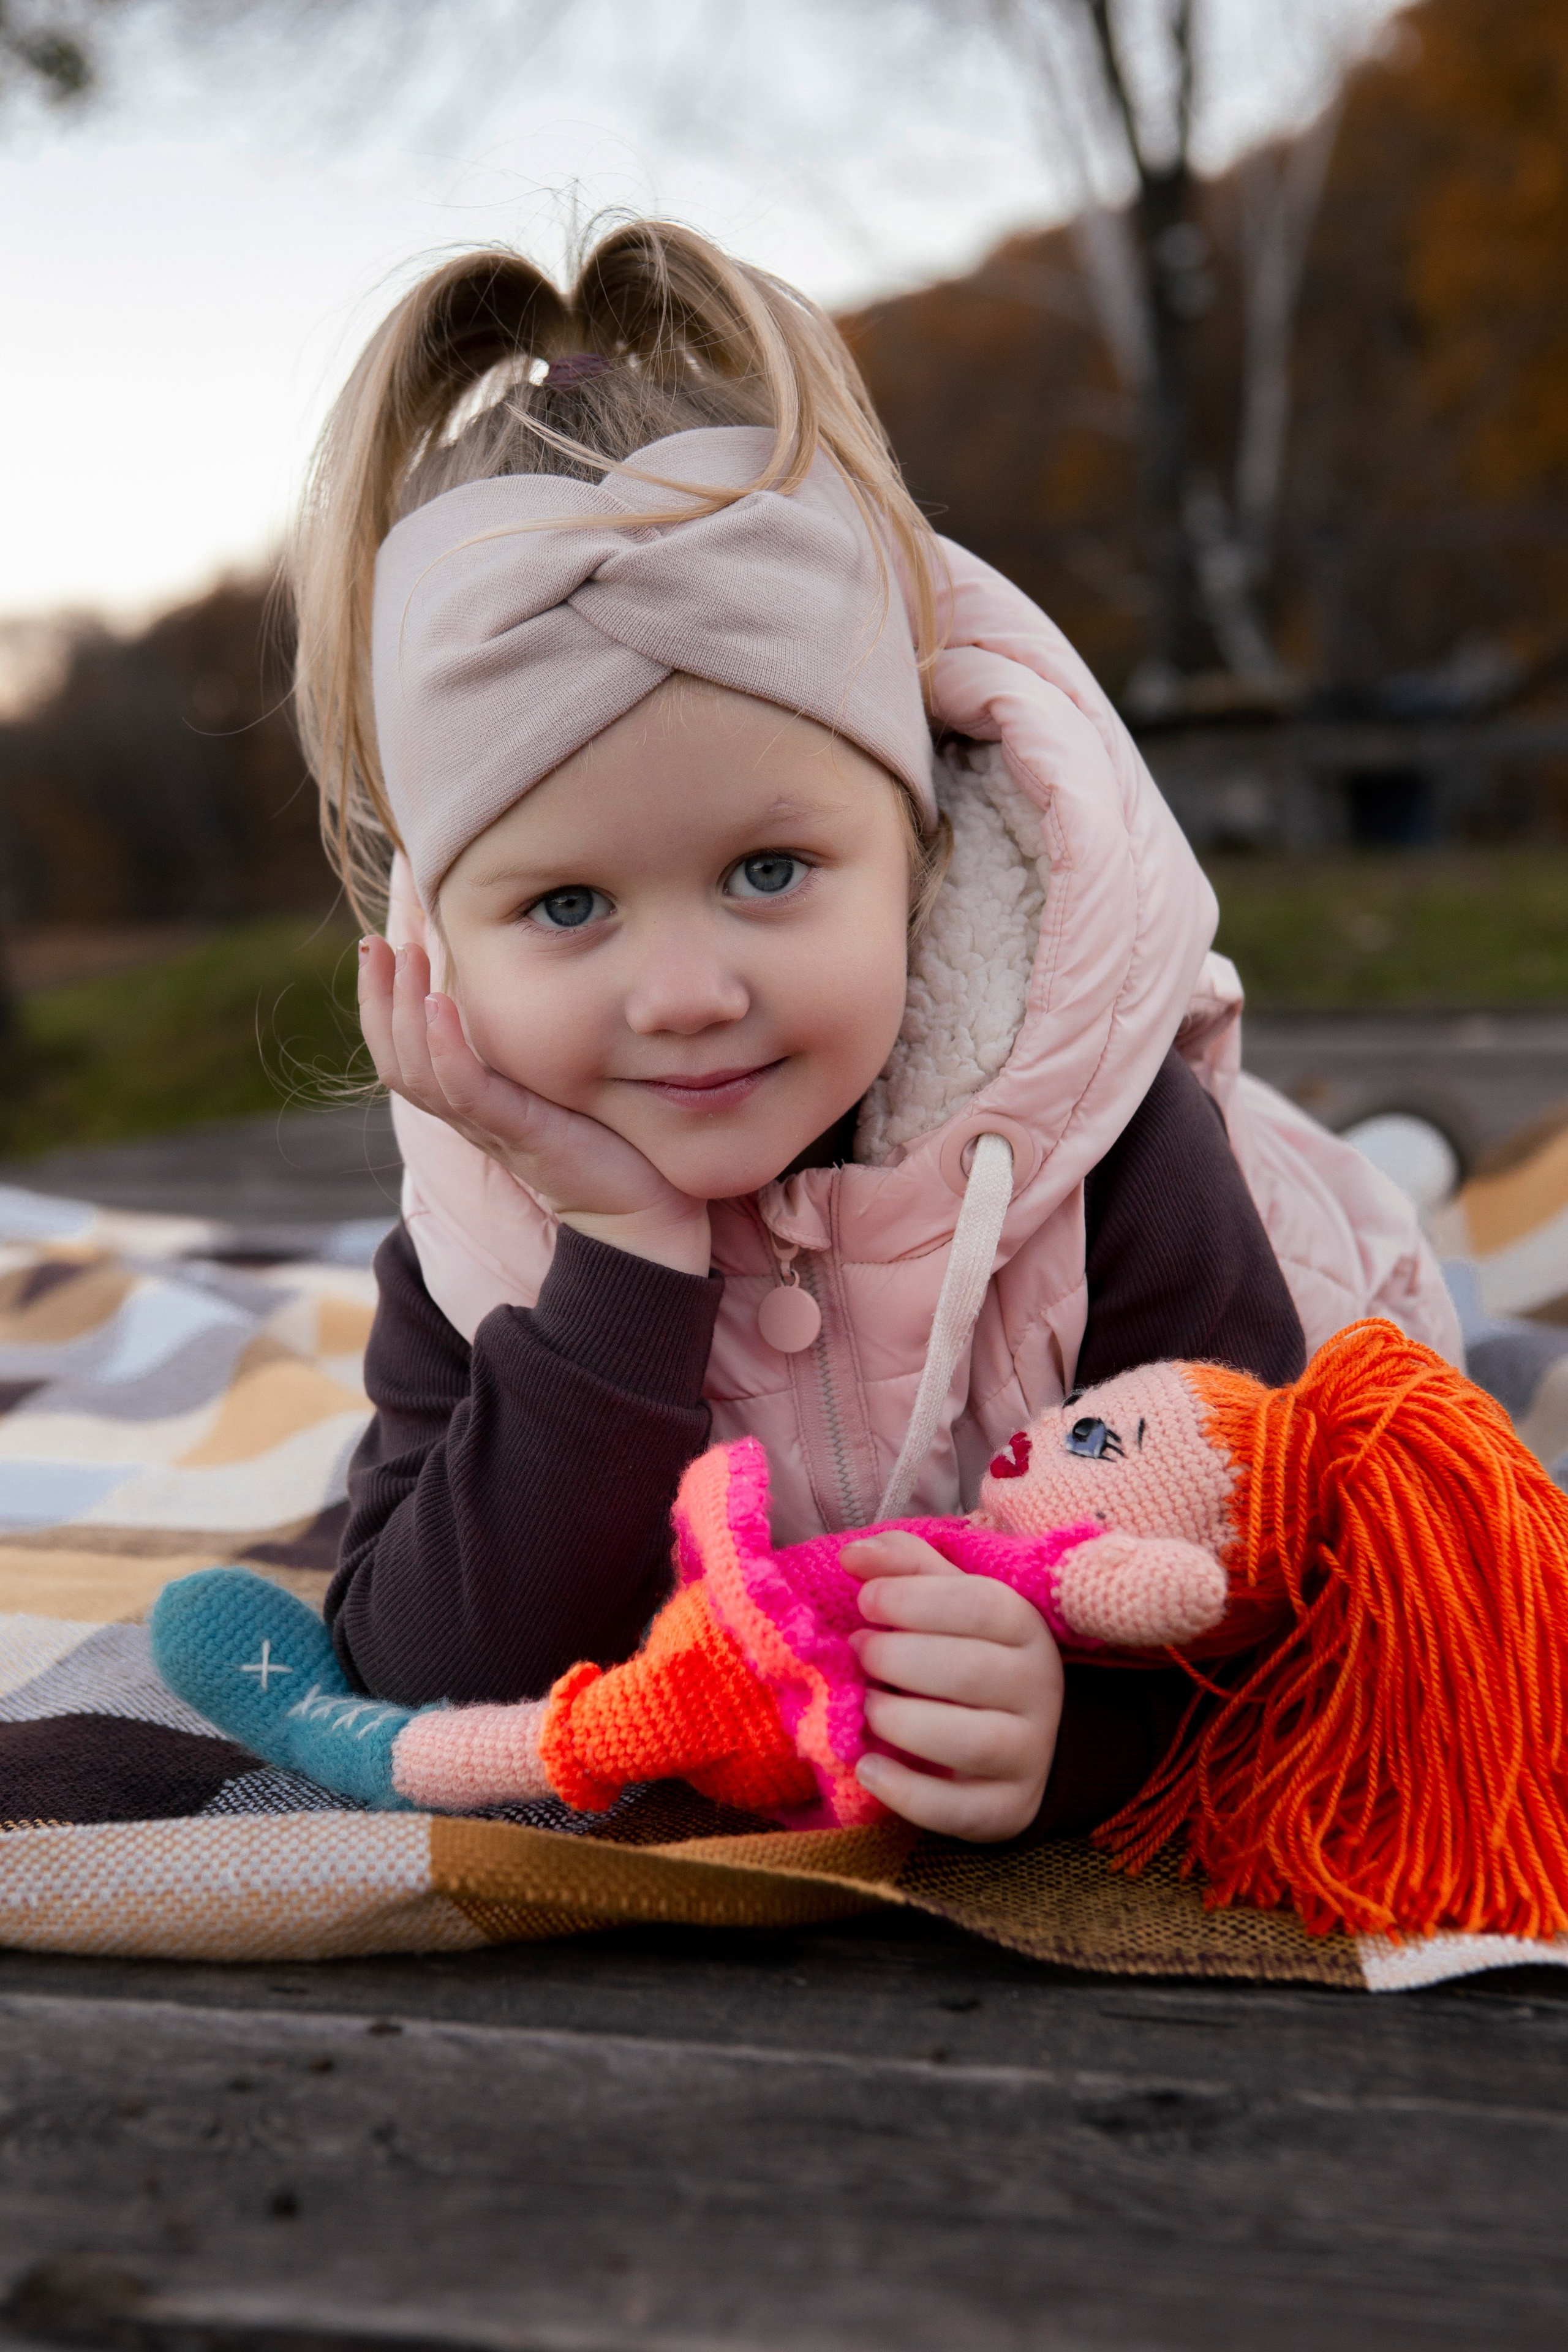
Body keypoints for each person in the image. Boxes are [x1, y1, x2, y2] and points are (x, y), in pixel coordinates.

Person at [291, 219, 1459, 1845]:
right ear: (439, 937)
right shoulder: (488, 1229)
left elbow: (1303, 1584)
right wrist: (622, 1257)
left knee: (1397, 1280)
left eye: (770, 870)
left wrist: (1088, 1735)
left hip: (1300, 1287)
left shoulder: (1108, 1143)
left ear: (913, 853)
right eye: (567, 908)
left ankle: (1405, 1175)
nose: (688, 991)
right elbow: (420, 1665)